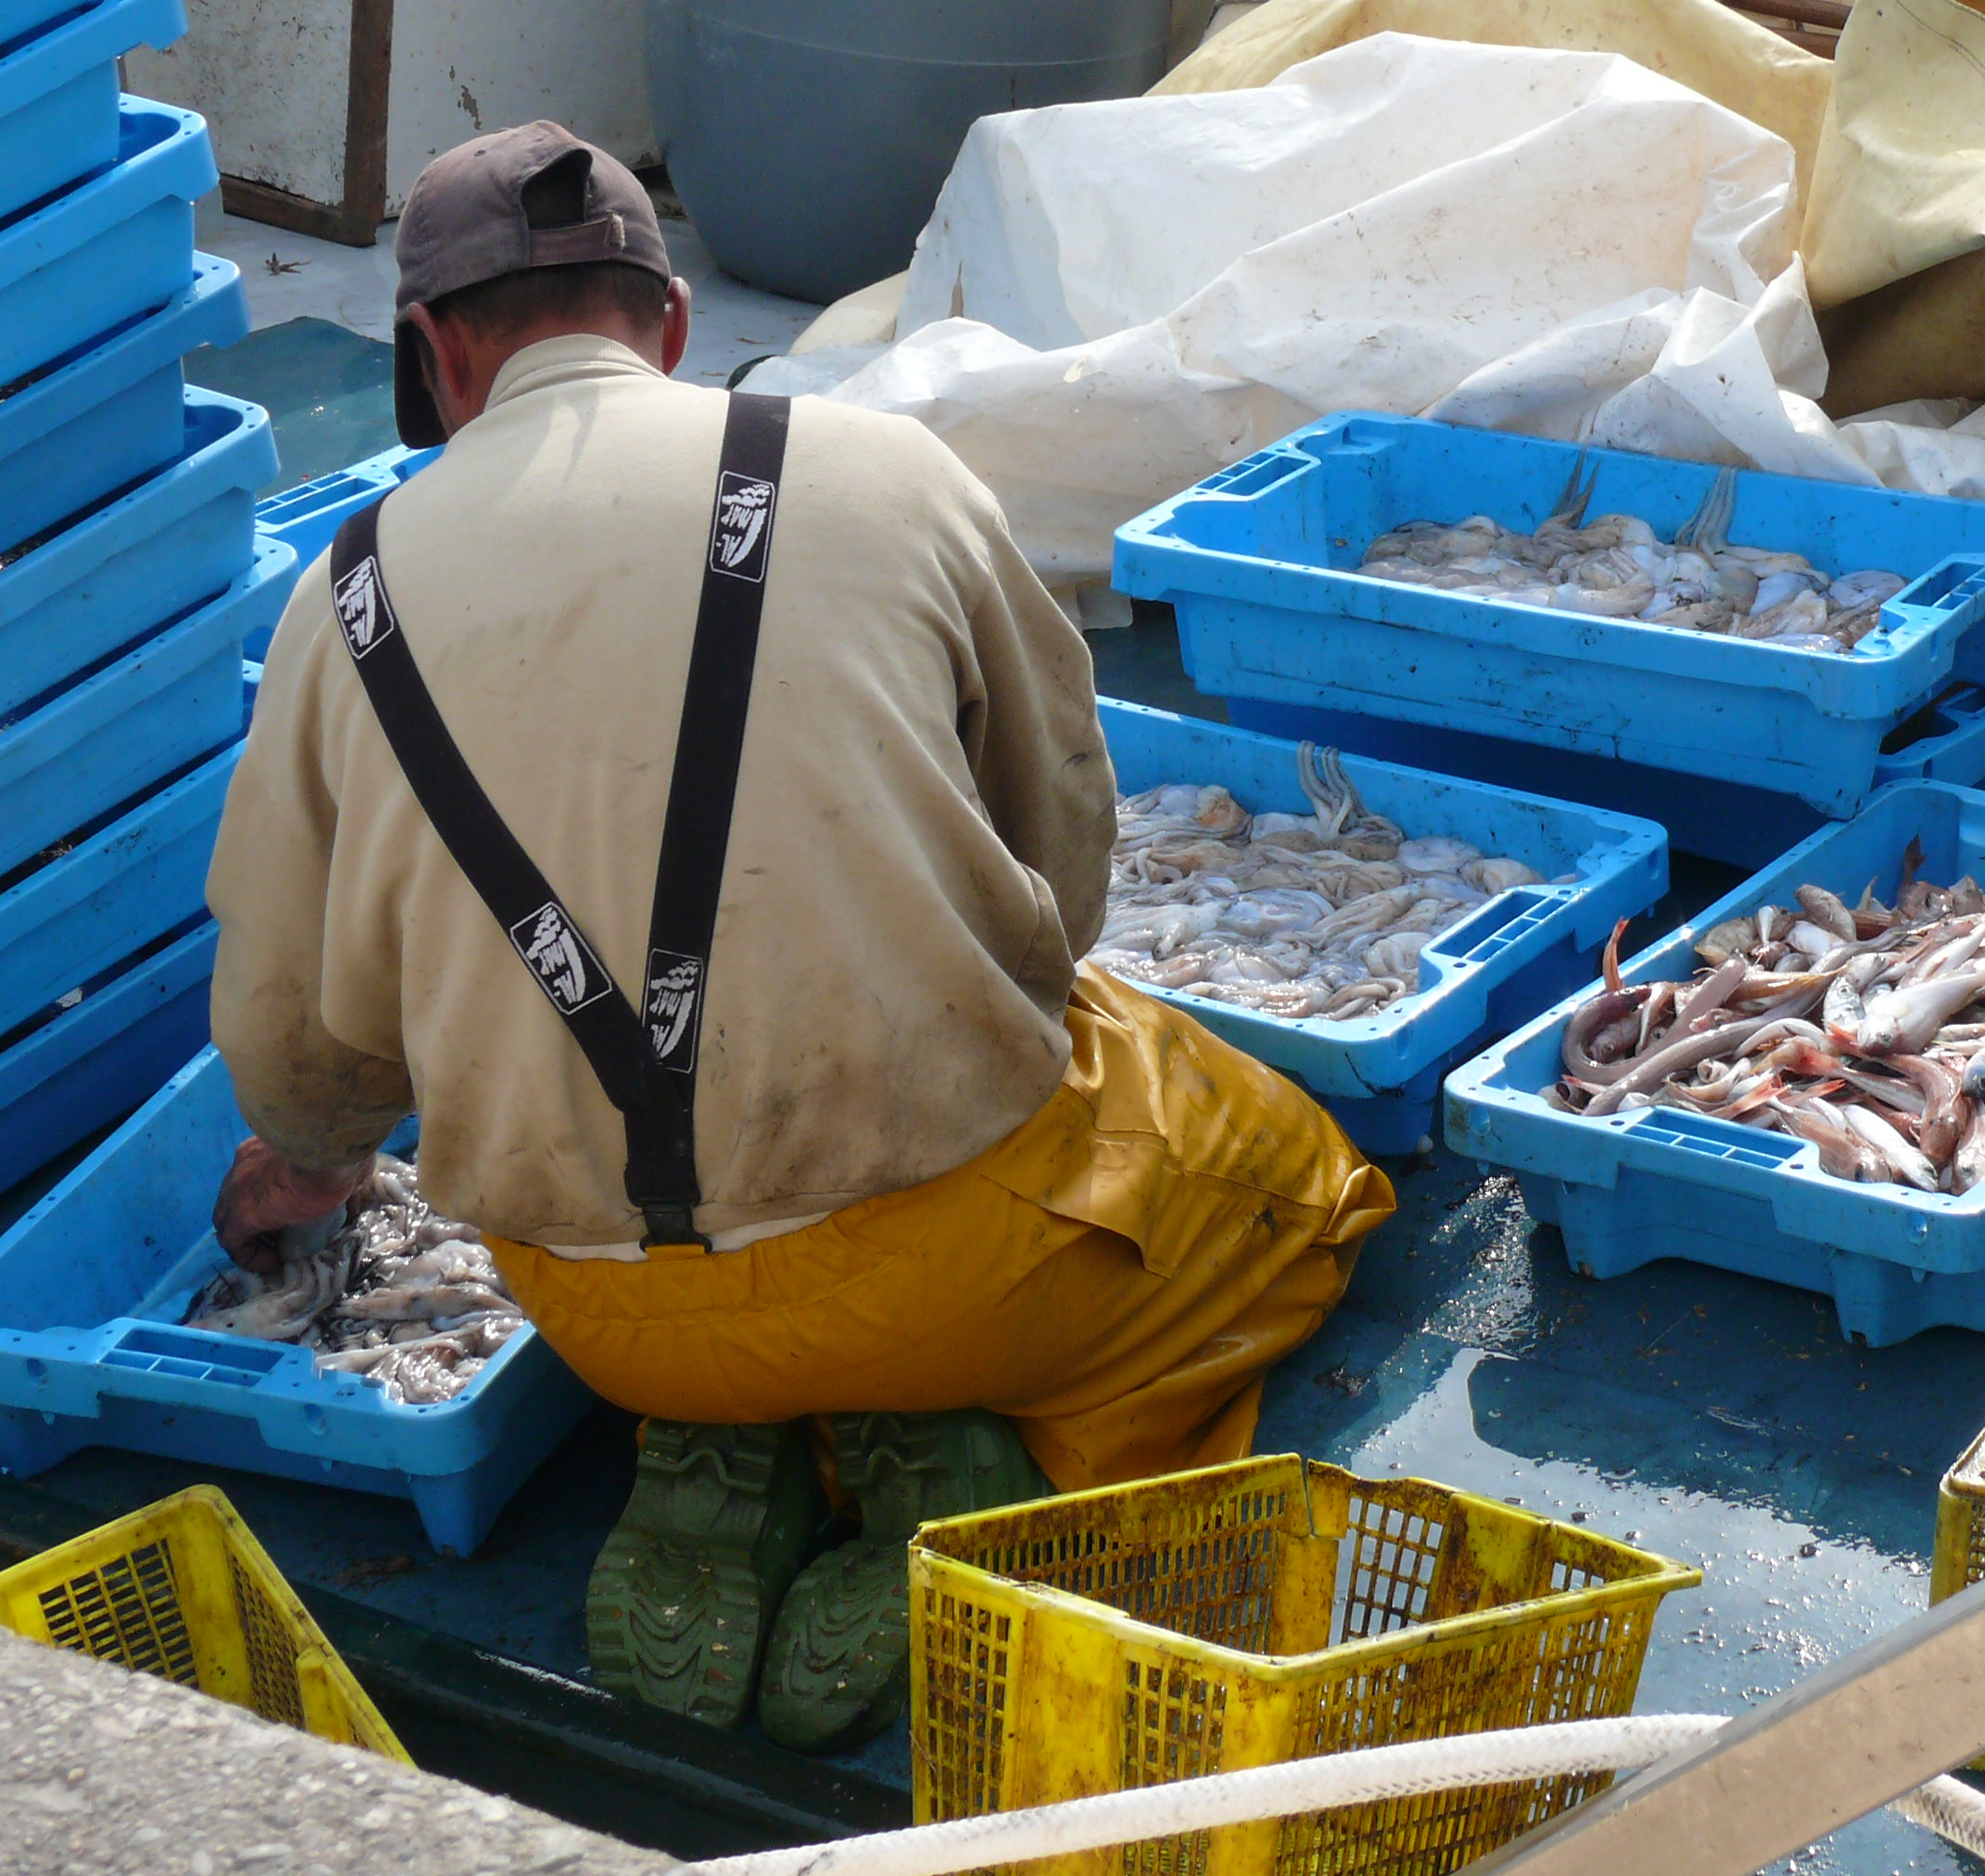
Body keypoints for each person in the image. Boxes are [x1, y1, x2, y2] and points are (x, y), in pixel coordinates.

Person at [206, 122, 1394, 1751]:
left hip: (608, 1322)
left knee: (700, 1266)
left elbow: (295, 1050)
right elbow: (1062, 851)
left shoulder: (337, 603)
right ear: (675, 325)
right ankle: (967, 1460)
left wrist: (309, 1165)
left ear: (433, 352)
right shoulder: (886, 473)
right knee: (1297, 1186)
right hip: (955, 1266)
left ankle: (744, 1434)